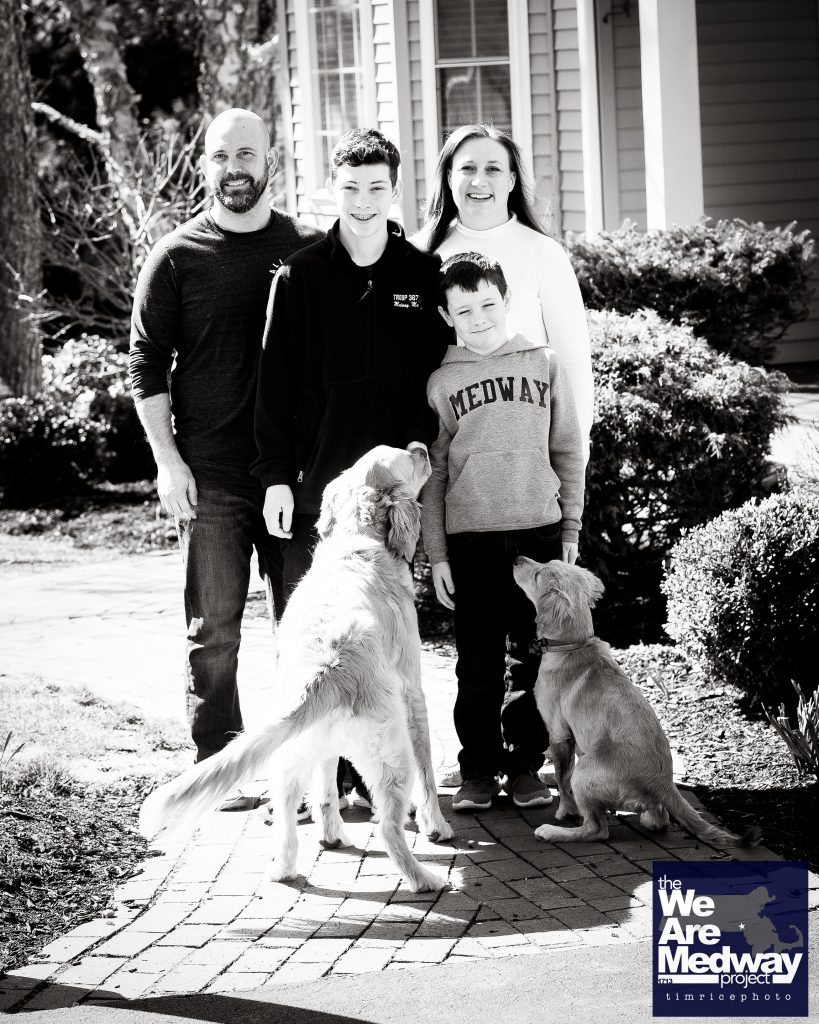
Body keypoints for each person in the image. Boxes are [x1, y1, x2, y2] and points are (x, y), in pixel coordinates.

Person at [252, 128, 452, 810]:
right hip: (316, 495)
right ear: (331, 189)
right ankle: (315, 786)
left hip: (390, 503)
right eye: (350, 188)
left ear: (394, 191)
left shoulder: (421, 275)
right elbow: (272, 385)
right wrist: (275, 478)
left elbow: (434, 376)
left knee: (383, 642)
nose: (363, 201)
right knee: (310, 638)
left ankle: (376, 776)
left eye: (375, 188)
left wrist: (419, 451)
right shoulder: (300, 275)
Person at [130, 108, 323, 763]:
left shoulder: (309, 249)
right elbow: (145, 361)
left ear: (272, 160)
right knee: (213, 632)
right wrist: (167, 461)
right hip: (209, 475)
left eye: (246, 154)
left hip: (294, 476)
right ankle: (219, 760)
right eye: (220, 155)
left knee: (308, 630)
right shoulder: (176, 256)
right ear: (203, 164)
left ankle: (316, 765)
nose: (233, 168)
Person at [422, 252, 585, 813]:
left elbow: (567, 450)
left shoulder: (543, 363)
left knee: (532, 660)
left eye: (488, 304)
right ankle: (477, 770)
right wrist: (437, 555)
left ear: (507, 300)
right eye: (464, 311)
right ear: (446, 316)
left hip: (538, 535)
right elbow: (435, 476)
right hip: (472, 543)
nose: (480, 318)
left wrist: (570, 526)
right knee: (477, 664)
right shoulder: (442, 381)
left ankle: (524, 767)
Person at [414, 123, 593, 465]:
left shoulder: (544, 253)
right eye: (467, 168)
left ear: (511, 180)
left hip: (528, 466)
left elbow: (573, 365)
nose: (479, 181)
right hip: (443, 465)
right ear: (449, 177)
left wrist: (574, 462)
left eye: (493, 169)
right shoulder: (420, 255)